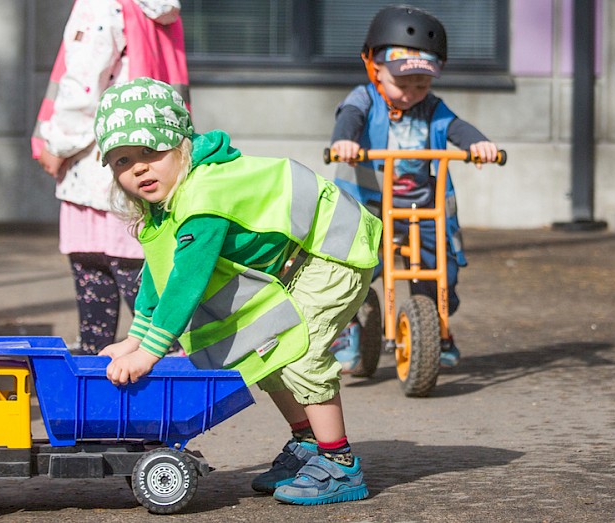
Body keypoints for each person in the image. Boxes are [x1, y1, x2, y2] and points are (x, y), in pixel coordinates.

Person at [95, 78, 381, 505]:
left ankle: (339, 464)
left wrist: (151, 351)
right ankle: (306, 444)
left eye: (150, 153)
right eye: (122, 160)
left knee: (300, 352)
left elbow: (186, 282)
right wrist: (134, 339)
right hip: (295, 262)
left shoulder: (203, 197)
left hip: (331, 250)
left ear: (181, 146)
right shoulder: (163, 207)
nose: (138, 168)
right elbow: (159, 276)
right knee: (262, 350)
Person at [328, 5, 501, 371]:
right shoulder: (364, 98)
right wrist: (344, 141)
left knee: (440, 271)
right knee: (347, 268)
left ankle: (436, 328)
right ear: (373, 66)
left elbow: (458, 128)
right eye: (401, 84)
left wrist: (479, 144)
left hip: (422, 207)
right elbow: (350, 118)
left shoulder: (432, 107)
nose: (411, 93)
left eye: (421, 85)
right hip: (368, 207)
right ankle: (344, 330)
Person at [33, 0, 187, 354]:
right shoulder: (156, 8)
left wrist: (56, 142)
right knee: (148, 290)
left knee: (96, 299)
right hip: (147, 171)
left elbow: (83, 84)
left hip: (96, 168)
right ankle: (167, 382)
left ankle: (96, 387)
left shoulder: (102, 5)